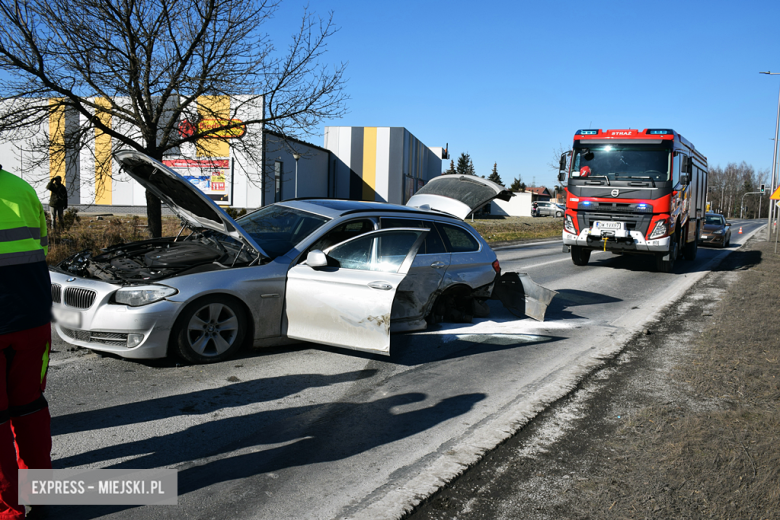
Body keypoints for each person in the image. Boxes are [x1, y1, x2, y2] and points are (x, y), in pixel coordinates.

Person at [0, 165, 53, 520]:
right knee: (30, 406)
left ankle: (8, 510)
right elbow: (42, 245)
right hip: (31, 317)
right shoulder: (22, 189)